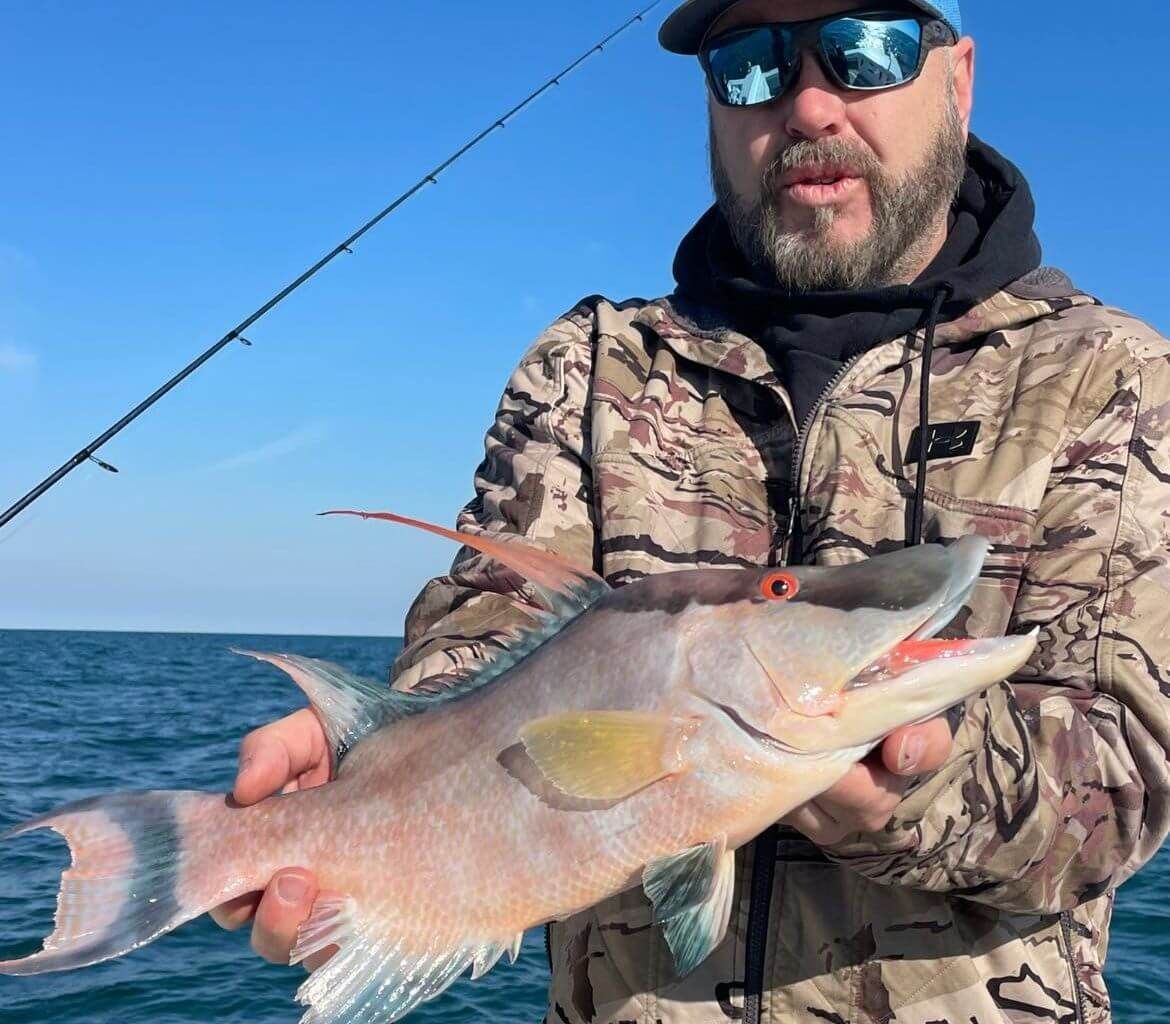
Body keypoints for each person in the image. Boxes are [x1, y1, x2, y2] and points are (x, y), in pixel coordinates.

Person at [212, 1, 1170, 1020]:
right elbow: (488, 625)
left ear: (959, 76)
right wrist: (384, 759)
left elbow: (1126, 782)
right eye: (749, 63)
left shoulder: (1107, 379)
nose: (806, 104)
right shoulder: (590, 367)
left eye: (865, 49)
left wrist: (893, 777)